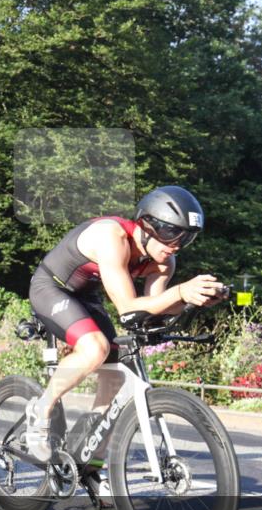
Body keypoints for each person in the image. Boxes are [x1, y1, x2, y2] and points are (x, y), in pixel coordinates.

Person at [24, 186, 227, 486]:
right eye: (173, 234)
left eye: (187, 238)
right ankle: (40, 409)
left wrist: (190, 299)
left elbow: (150, 312)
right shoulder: (112, 237)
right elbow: (128, 308)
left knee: (115, 377)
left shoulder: (164, 261)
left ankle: (88, 465)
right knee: (96, 349)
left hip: (87, 297)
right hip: (50, 288)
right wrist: (182, 291)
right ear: (147, 225)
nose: (177, 245)